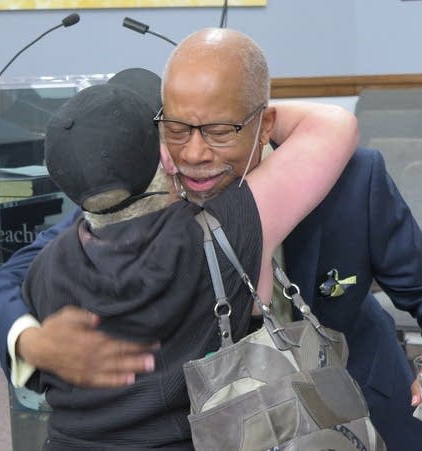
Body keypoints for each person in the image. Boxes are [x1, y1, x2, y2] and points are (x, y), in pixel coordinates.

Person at [0, 28, 422, 451]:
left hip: (358, 415)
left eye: (220, 130)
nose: (192, 155)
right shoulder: (145, 198)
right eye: (176, 130)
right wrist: (30, 340)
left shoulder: (354, 180)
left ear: (266, 126)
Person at [19, 61, 356, 449]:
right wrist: (234, 113)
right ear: (164, 157)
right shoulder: (214, 233)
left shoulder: (42, 268)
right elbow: (332, 125)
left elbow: (39, 377)